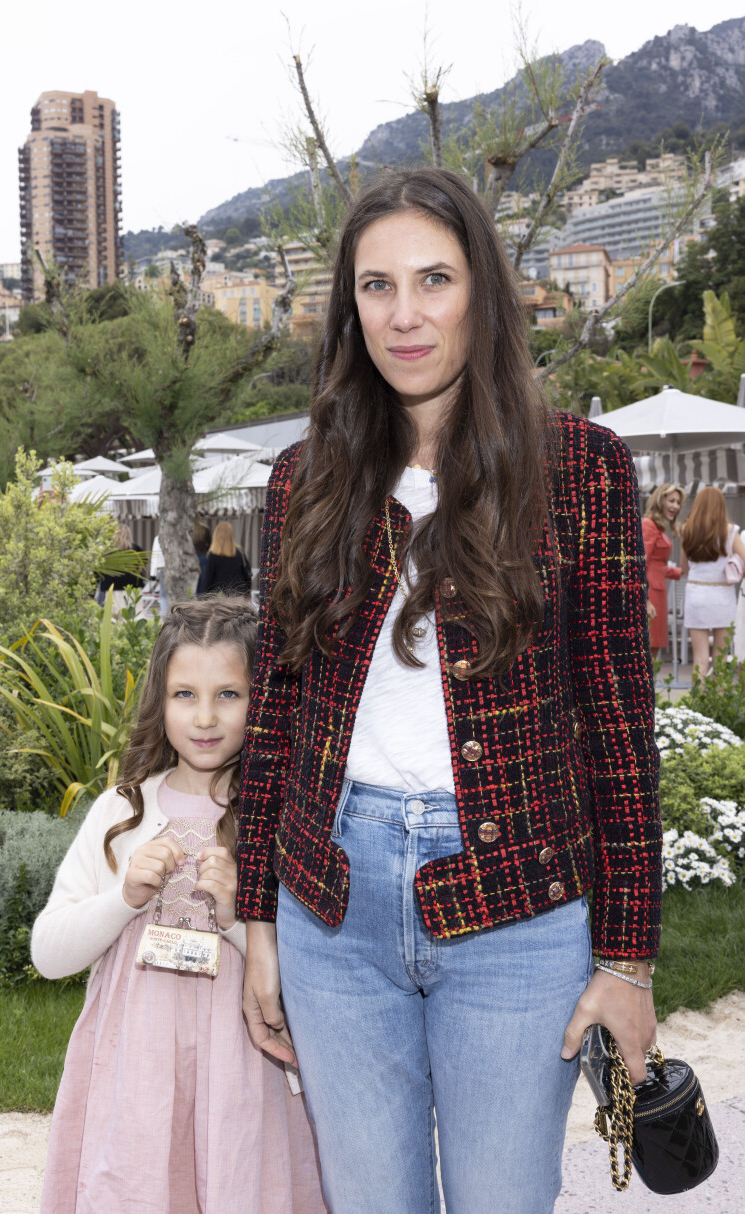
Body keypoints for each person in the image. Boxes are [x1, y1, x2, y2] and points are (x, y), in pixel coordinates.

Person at [236, 168, 662, 1214]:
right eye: (376, 286)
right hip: (331, 906)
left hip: (519, 908)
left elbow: (617, 719)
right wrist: (259, 921)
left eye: (435, 278)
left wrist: (630, 960)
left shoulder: (581, 469)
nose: (406, 313)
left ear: (484, 290)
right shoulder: (305, 478)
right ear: (350, 309)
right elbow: (276, 712)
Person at [32, 598, 326, 1214]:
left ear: (263, 701)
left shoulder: (282, 818)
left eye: (229, 694)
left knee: (239, 1183)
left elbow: (321, 981)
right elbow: (50, 953)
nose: (205, 717)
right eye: (185, 694)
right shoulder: (123, 811)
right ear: (158, 702)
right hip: (134, 1078)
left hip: (244, 1073)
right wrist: (125, 899)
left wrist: (241, 921)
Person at [680, 485, 745, 676]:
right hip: (722, 595)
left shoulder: (686, 530)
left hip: (696, 593)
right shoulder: (730, 531)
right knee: (720, 657)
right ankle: (717, 704)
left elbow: (684, 568)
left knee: (699, 658)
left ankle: (695, 704)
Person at [642, 483, 685, 658]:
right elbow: (641, 564)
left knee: (654, 648)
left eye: (678, 502)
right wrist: (645, 599)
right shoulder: (649, 525)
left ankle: (650, 685)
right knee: (649, 648)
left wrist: (679, 572)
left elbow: (657, 564)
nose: (675, 506)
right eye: (672, 500)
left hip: (658, 591)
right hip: (651, 592)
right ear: (660, 500)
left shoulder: (657, 527)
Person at [94, 522, 145, 611]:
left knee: (114, 617)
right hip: (132, 588)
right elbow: (142, 565)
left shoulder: (107, 551)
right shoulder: (136, 550)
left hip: (111, 588)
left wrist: (93, 590)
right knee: (134, 616)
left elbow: (98, 571)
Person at [196, 521, 252, 596]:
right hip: (239, 594)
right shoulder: (240, 552)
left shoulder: (213, 555)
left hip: (221, 595)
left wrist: (204, 597)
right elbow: (247, 575)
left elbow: (208, 579)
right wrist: (248, 592)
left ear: (216, 535)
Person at [150, 532, 168, 617]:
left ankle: (165, 616)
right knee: (164, 594)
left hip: (162, 567)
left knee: (163, 594)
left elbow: (155, 556)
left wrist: (152, 574)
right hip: (165, 567)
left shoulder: (158, 538)